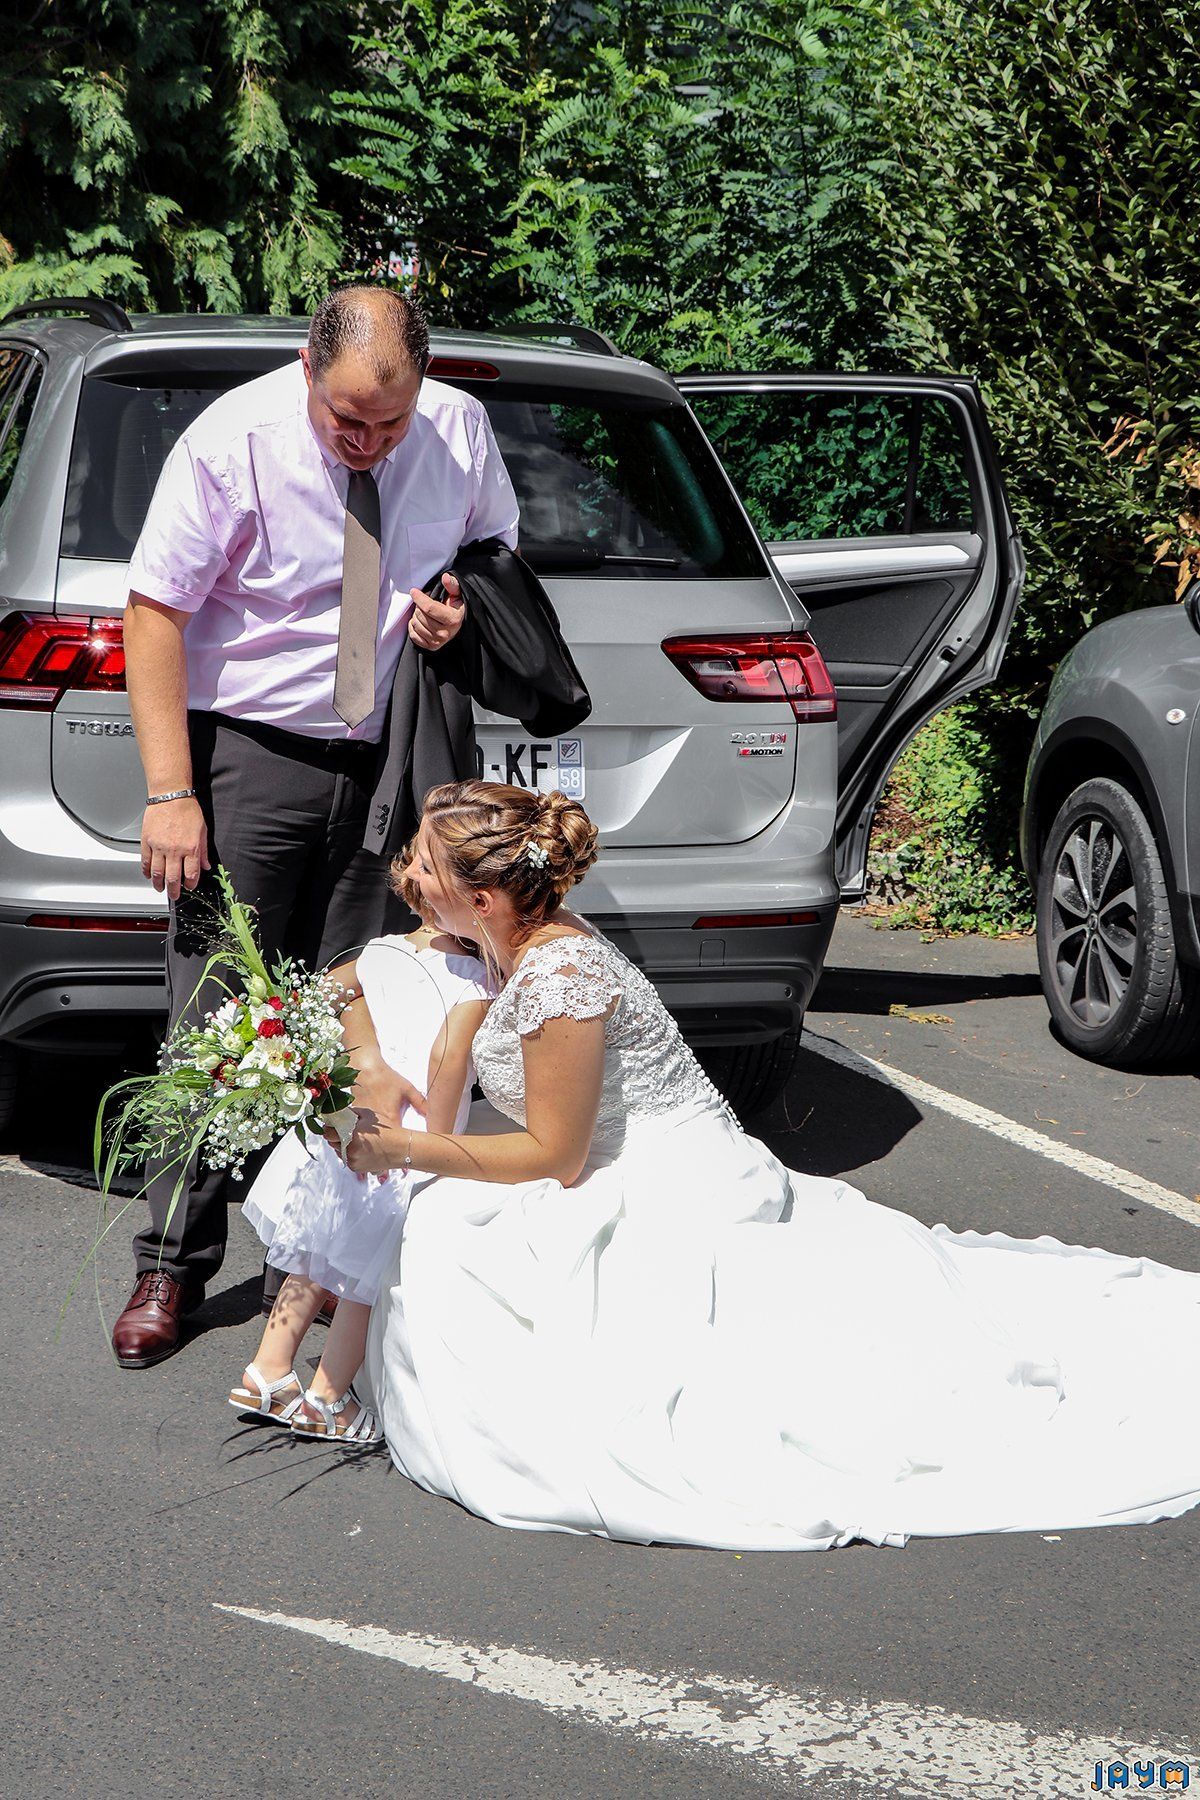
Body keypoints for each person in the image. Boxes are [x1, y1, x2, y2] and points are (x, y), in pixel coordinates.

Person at [339, 780, 1200, 1552]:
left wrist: (404, 1148)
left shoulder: (561, 972)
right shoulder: (511, 932)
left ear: (485, 899)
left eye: (427, 871)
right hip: (619, 1150)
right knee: (451, 1224)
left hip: (663, 1178)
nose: (410, 880)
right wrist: (370, 1051)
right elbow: (357, 974)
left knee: (464, 1233)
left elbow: (555, 1157)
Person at [111, 284, 519, 1369]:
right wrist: (170, 791)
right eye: (348, 421)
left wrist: (457, 605)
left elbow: (491, 553)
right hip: (251, 755)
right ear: (306, 367)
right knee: (218, 1018)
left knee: (365, 1015)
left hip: (390, 758)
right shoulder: (229, 444)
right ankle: (171, 1262)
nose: (371, 444)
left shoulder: (459, 432)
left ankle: (326, 1269)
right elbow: (154, 615)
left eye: (391, 424)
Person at [230, 907, 491, 1443]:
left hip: (350, 1118)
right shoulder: (476, 978)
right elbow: (447, 1057)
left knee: (316, 1251)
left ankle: (268, 1369)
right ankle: (328, 1399)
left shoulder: (378, 951)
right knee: (360, 1280)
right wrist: (438, 1143)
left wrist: (334, 1073)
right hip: (403, 1132)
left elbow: (323, 993)